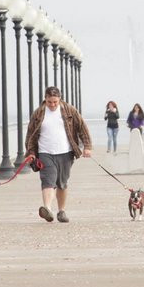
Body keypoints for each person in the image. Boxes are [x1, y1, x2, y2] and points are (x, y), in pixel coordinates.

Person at [25, 86, 92, 223]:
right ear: (45, 99)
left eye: (55, 102)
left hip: (65, 152)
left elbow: (82, 127)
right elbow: (30, 135)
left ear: (59, 99)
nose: (52, 105)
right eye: (50, 102)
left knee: (62, 183)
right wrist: (31, 153)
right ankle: (47, 209)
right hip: (45, 152)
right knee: (48, 180)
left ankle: (61, 211)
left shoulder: (69, 110)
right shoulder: (38, 113)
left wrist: (87, 147)